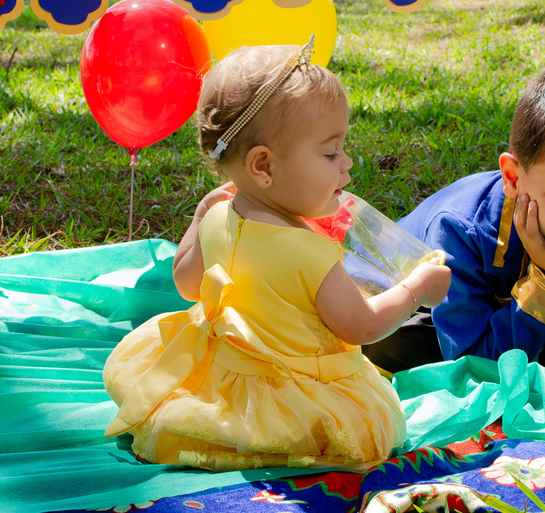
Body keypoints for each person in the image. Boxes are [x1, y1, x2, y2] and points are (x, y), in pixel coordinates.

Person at [103, 41, 451, 471]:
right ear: (263, 167)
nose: (347, 162)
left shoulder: (218, 218)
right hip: (294, 402)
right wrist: (417, 289)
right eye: (331, 152)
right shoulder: (310, 252)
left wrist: (200, 215)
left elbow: (187, 285)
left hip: (221, 386)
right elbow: (362, 325)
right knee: (353, 431)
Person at [363, 68, 545, 390]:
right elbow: (474, 367)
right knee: (387, 340)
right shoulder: (458, 229)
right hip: (421, 314)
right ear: (512, 177)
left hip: (511, 321)